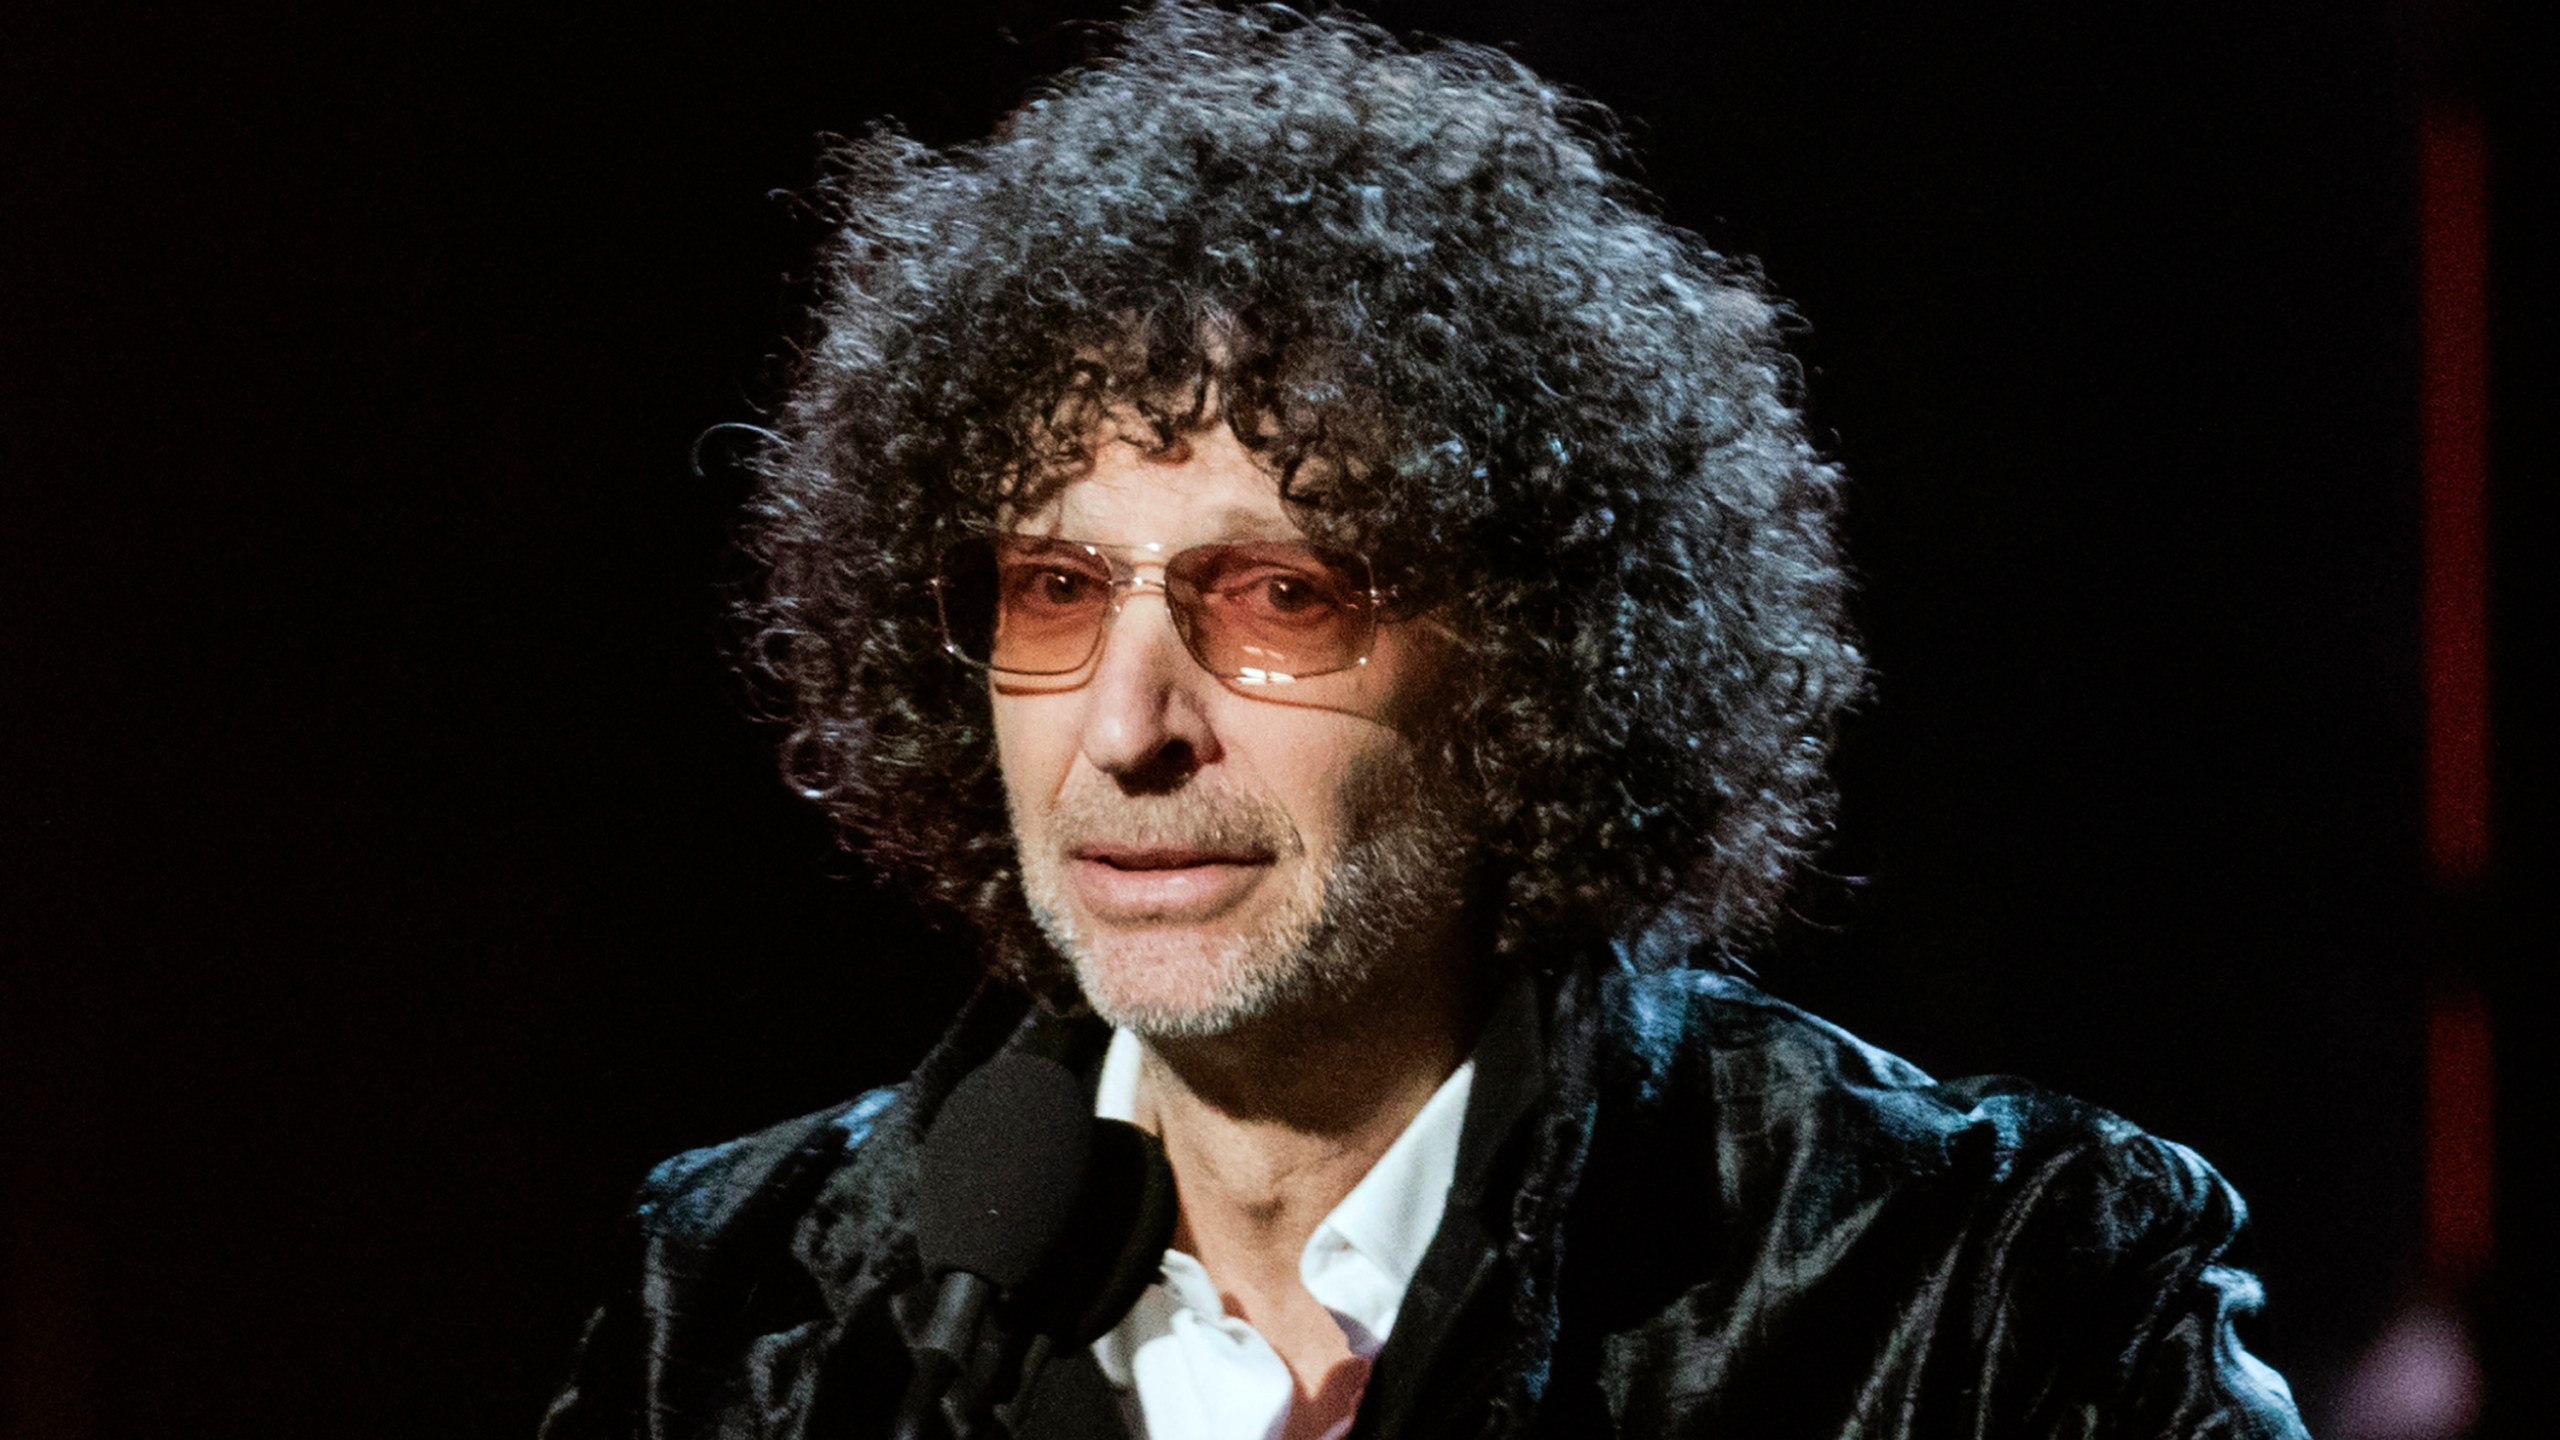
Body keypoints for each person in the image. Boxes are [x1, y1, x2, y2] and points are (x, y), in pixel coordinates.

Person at [540, 4, 2309, 1436]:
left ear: (1532, 671)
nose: (1128, 728)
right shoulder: (745, 1312)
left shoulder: (1980, 1299)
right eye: (1056, 594)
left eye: (1279, 597)